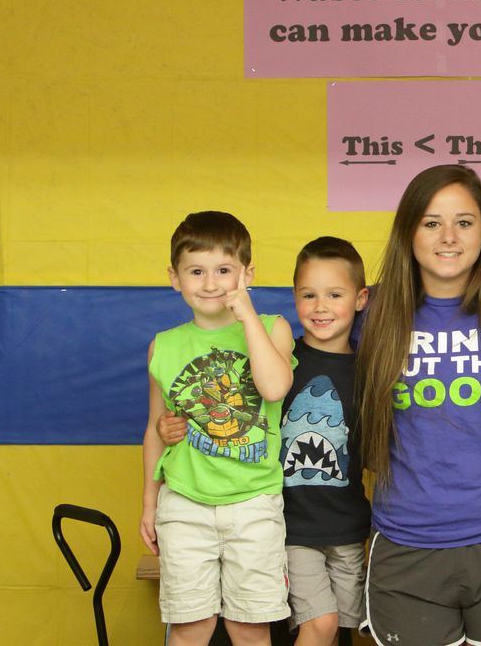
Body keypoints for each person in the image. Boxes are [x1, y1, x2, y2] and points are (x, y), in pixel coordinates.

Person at [355, 164, 481, 646]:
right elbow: (288, 367)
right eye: (431, 223)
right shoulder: (370, 314)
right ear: (408, 232)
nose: (449, 236)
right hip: (406, 545)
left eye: (464, 222)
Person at [140, 210, 295, 646]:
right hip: (184, 501)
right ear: (175, 278)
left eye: (224, 270)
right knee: (191, 626)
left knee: (248, 626)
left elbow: (274, 387)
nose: (210, 283)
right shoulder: (163, 345)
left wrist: (247, 317)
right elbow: (155, 429)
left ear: (247, 274)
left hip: (254, 503)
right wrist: (149, 503)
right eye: (197, 271)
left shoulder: (271, 328)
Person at [280, 237, 371, 646]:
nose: (320, 307)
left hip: (348, 527)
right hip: (291, 528)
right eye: (309, 295)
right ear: (295, 297)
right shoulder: (280, 362)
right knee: (320, 624)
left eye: (334, 294)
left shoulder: (370, 371)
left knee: (340, 629)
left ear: (359, 298)